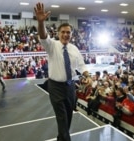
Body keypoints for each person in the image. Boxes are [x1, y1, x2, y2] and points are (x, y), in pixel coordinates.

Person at [34, 3, 88, 141]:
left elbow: (82, 66)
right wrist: (41, 22)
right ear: (58, 34)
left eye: (68, 32)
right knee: (62, 117)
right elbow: (43, 36)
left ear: (71, 34)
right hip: (56, 87)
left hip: (70, 87)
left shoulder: (74, 49)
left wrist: (87, 75)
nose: (65, 34)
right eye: (62, 32)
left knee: (68, 118)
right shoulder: (52, 46)